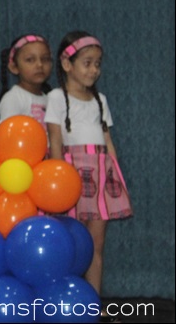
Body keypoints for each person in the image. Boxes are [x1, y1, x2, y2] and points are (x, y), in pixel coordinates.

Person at [46, 31, 132, 299]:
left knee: (96, 244)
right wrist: (59, 180)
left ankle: (93, 302)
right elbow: (55, 140)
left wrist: (114, 175)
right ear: (67, 64)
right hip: (71, 175)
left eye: (97, 63)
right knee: (70, 242)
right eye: (87, 63)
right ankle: (65, 299)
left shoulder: (100, 100)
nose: (94, 70)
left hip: (100, 175)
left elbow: (108, 140)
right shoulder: (56, 98)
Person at [0, 34, 53, 129]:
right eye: (30, 60)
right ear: (14, 67)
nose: (39, 65)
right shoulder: (13, 98)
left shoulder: (50, 99)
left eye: (45, 59)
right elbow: (6, 134)